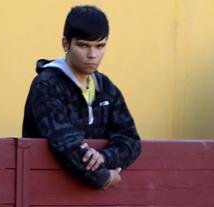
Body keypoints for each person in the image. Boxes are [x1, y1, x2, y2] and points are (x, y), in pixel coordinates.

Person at [21, 5, 141, 190]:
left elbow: (130, 140)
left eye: (99, 46)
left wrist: (105, 157)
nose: (92, 55)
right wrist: (103, 177)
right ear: (65, 44)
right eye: (83, 45)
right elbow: (65, 143)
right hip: (45, 192)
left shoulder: (106, 87)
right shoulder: (47, 84)